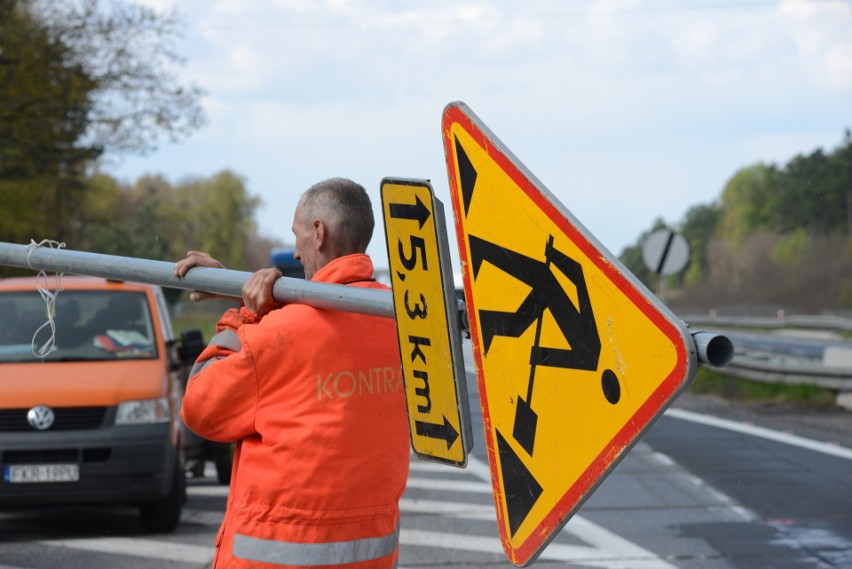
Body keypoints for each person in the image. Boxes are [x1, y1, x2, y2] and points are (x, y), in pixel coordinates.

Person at [174, 178, 409, 569]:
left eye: (297, 234)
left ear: (318, 233)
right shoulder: (399, 322)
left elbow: (200, 406)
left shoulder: (279, 335)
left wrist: (245, 314)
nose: (297, 254)